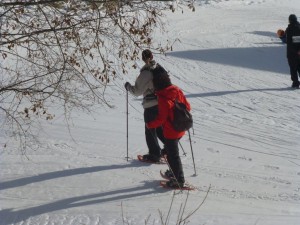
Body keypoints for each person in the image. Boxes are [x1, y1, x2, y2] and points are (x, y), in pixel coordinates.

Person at [146, 67, 191, 188]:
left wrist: (150, 125)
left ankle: (178, 180)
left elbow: (161, 118)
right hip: (181, 127)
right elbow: (188, 106)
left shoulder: (162, 98)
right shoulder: (176, 90)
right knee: (169, 151)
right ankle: (174, 173)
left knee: (173, 155)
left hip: (171, 131)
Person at [124, 49, 165, 162]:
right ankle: (169, 150)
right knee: (160, 128)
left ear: (143, 58)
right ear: (152, 56)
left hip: (151, 104)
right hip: (162, 103)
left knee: (150, 128)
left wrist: (128, 87)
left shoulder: (146, 72)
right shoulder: (159, 68)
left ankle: (154, 154)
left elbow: (137, 91)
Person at [285, 14, 300, 88]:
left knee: (293, 68)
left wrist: (296, 50)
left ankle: (295, 83)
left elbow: (290, 42)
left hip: (292, 53)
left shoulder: (290, 29)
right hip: (298, 53)